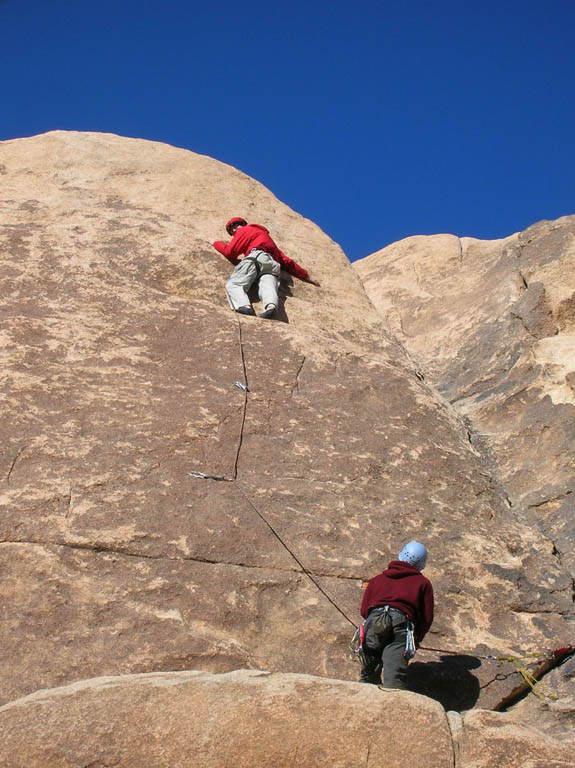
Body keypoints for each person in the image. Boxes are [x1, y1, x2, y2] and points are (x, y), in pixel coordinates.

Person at [208, 217, 320, 318]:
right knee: (268, 286)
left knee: (234, 284)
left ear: (243, 225)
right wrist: (306, 276)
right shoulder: (266, 238)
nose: (233, 230)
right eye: (231, 230)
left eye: (235, 226)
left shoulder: (246, 230)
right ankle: (271, 307)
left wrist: (215, 243)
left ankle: (245, 306)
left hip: (255, 257)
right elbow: (287, 261)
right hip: (271, 263)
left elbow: (230, 252)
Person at [359, 541, 434, 689]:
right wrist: (416, 639)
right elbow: (426, 618)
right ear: (421, 563)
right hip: (400, 626)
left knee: (368, 675)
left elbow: (364, 610)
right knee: (394, 680)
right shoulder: (423, 584)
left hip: (374, 624)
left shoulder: (378, 579)